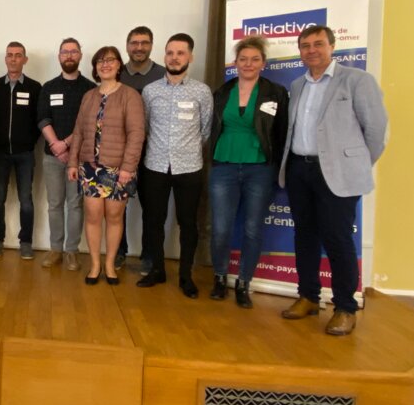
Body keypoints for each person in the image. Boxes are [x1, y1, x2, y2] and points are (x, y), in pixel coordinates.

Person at [279, 25, 387, 336]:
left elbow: (376, 130)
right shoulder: (297, 84)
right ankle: (308, 296)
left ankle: (345, 307)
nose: (311, 50)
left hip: (337, 174)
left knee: (338, 239)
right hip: (299, 169)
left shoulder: (357, 80)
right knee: (305, 236)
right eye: (305, 45)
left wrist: (354, 165)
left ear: (332, 46)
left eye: (318, 44)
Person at [208, 36, 288, 308]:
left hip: (260, 168)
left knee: (253, 228)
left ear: (263, 63)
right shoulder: (223, 91)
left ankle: (244, 283)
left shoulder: (275, 93)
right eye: (243, 59)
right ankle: (220, 277)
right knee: (221, 228)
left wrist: (279, 167)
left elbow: (282, 132)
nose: (248, 64)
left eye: (255, 59)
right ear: (235, 62)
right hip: (224, 166)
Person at [137, 33, 212, 298]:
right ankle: (157, 270)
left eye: (180, 53)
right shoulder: (150, 91)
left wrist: (185, 149)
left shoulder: (202, 92)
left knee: (188, 223)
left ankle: (185, 276)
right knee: (153, 220)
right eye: (170, 53)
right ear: (164, 56)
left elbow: (205, 130)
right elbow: (145, 127)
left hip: (189, 167)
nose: (175, 58)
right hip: (155, 165)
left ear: (190, 56)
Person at [67, 46, 145, 284]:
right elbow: (78, 132)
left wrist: (128, 168)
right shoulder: (89, 96)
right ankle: (95, 265)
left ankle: (110, 264)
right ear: (95, 67)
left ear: (119, 64)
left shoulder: (130, 95)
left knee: (114, 216)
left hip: (118, 169)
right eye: (100, 61)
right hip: (90, 167)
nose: (105, 64)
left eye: (110, 60)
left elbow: (136, 134)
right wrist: (72, 162)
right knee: (92, 215)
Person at [38, 38, 96, 271]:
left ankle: (72, 251)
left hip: (79, 157)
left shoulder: (90, 88)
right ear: (59, 56)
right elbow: (43, 118)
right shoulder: (49, 87)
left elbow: (89, 123)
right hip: (52, 156)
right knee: (54, 204)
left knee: (75, 204)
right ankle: (55, 249)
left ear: (80, 55)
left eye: (73, 51)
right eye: (65, 52)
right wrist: (56, 145)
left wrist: (66, 145)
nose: (69, 55)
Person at [116, 26, 166, 270]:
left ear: (151, 45)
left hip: (152, 152)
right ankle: (118, 251)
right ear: (127, 46)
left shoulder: (163, 75)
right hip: (119, 151)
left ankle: (149, 254)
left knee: (152, 207)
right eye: (134, 43)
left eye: (144, 43)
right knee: (117, 205)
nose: (139, 47)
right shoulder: (116, 73)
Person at [0, 42, 42, 259]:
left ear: (24, 60)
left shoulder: (35, 88)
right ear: (5, 59)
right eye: (10, 55)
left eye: (18, 55)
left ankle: (26, 242)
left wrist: (28, 141)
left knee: (26, 200)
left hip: (25, 154)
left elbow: (39, 120)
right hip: (0, 153)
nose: (13, 59)